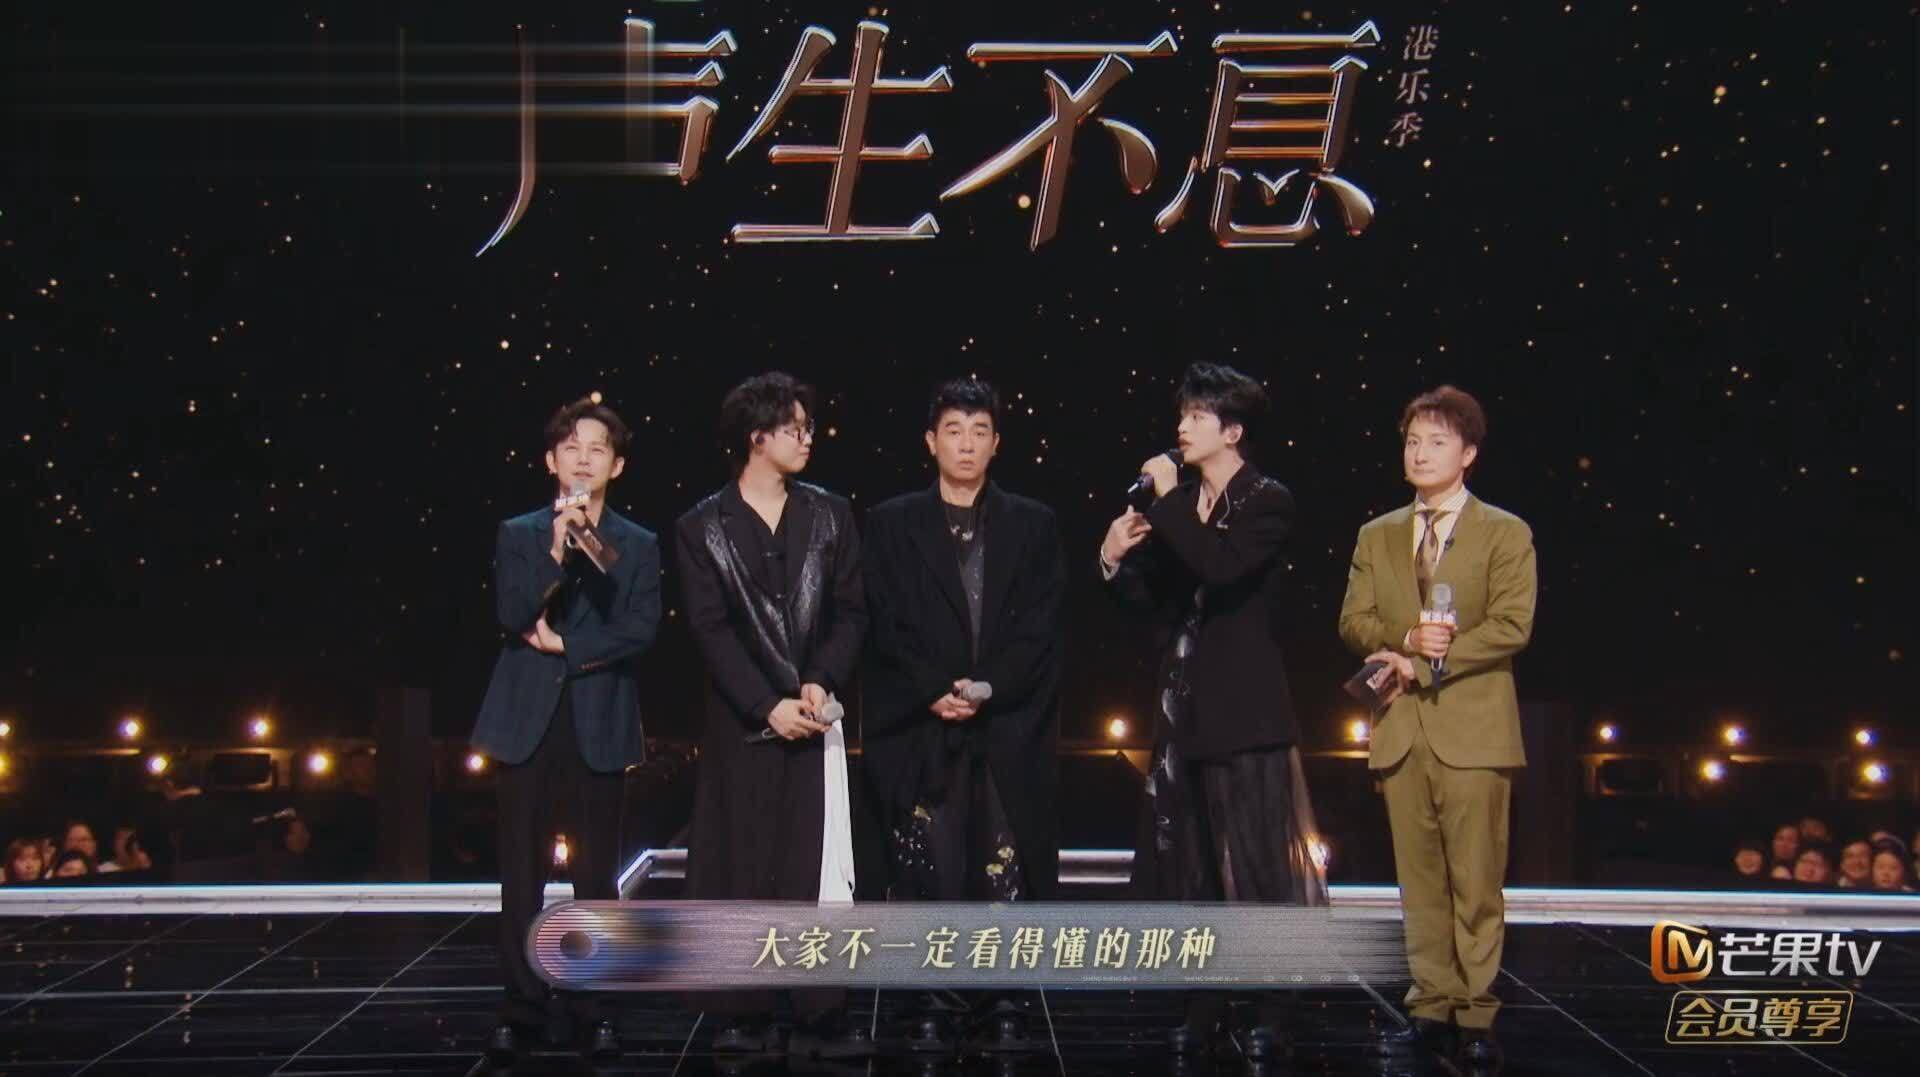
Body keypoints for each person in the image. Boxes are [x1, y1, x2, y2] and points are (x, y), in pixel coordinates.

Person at [1100, 362, 1329, 1061]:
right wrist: (1113, 558)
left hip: (1246, 708)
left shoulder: (1267, 500)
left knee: (1256, 863)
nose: (1182, 426)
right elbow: (1156, 603)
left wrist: (1170, 502)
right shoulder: (1179, 505)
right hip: (1184, 710)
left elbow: (1222, 568)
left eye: (1197, 416)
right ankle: (1205, 996)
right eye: (1182, 414)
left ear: (1232, 431)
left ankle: (1274, 1002)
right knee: (1193, 864)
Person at [862, 377, 1065, 1053]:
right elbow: (882, 620)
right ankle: (932, 996)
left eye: (980, 432)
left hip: (1007, 722)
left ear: (997, 443)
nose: (967, 444)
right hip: (922, 723)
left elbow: (1041, 627)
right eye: (954, 430)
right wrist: (932, 689)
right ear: (931, 441)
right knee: (930, 861)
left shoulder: (1033, 524)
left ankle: (1005, 995)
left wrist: (988, 687)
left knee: (1005, 863)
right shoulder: (890, 523)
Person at [1338, 385, 1537, 1073]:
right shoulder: (1377, 533)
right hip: (1400, 729)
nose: (1420, 453)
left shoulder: (1505, 532)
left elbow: (1512, 625)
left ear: (1468, 453)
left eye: (1437, 442)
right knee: (1418, 882)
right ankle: (1430, 1008)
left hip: (1475, 731)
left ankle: (1477, 1014)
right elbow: (1353, 620)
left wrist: (1426, 660)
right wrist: (1402, 638)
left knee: (1476, 882)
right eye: (1413, 441)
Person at [675, 372, 870, 1059]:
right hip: (742, 725)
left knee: (815, 867)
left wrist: (820, 679)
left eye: (808, 426)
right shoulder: (701, 526)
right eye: (795, 427)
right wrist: (765, 704)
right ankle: (742, 1010)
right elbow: (710, 629)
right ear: (757, 436)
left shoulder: (832, 514)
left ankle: (821, 1010)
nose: (808, 438)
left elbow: (851, 611)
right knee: (741, 860)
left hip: (816, 716)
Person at [471, 396, 664, 1062]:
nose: (584, 459)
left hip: (598, 718)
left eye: (597, 449)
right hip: (526, 721)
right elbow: (511, 612)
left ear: (618, 465)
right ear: (550, 460)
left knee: (595, 876)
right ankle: (520, 1007)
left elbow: (640, 628)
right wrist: (557, 549)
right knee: (520, 874)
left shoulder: (637, 543)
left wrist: (567, 647)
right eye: (572, 448)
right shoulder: (519, 532)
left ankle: (595, 1007)